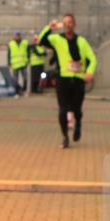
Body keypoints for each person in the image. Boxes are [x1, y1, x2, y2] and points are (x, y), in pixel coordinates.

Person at [38, 14, 97, 148]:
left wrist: (89, 72)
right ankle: (65, 137)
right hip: (63, 79)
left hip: (78, 80)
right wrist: (49, 27)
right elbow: (41, 40)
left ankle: (78, 125)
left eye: (70, 22)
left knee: (77, 109)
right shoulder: (57, 39)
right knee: (62, 109)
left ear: (74, 24)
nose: (67, 25)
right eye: (64, 22)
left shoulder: (82, 41)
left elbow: (92, 58)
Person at [7, 31, 29, 95]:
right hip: (15, 64)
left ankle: (24, 90)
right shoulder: (11, 43)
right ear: (14, 36)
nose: (17, 37)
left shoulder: (25, 43)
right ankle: (16, 92)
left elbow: (28, 52)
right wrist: (9, 62)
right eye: (16, 35)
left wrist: (27, 60)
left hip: (23, 63)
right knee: (15, 79)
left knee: (25, 78)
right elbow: (9, 54)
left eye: (18, 35)